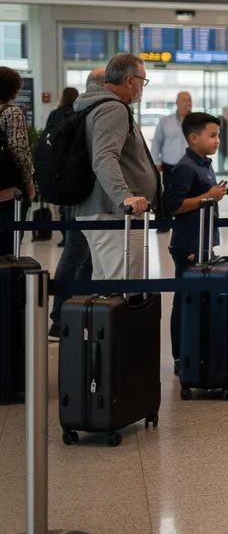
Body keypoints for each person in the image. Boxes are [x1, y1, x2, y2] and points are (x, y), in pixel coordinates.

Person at [73, 54, 160, 281]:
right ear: (130, 81)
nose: (143, 88)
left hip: (99, 211)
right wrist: (125, 198)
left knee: (106, 289)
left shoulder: (92, 105)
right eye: (143, 81)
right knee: (123, 289)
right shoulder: (113, 109)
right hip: (114, 215)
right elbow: (104, 157)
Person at [162, 112, 227, 371]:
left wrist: (212, 195)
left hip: (203, 241)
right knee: (184, 299)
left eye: (218, 135)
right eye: (212, 135)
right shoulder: (185, 167)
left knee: (199, 297)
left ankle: (197, 349)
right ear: (193, 137)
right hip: (187, 243)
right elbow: (173, 206)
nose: (217, 140)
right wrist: (207, 197)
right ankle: (180, 356)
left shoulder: (205, 163)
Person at [49, 72, 100, 339]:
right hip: (85, 196)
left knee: (78, 252)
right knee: (79, 252)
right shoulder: (91, 113)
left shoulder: (58, 115)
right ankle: (65, 313)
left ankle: (69, 311)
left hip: (68, 193)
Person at [0, 67, 34, 260]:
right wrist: (29, 183)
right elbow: (19, 150)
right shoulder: (12, 113)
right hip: (6, 194)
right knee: (7, 252)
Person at [45, 87, 80, 247]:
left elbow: (47, 139)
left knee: (62, 206)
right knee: (74, 205)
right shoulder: (79, 114)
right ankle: (74, 237)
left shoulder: (54, 114)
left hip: (58, 165)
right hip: (76, 164)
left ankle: (65, 237)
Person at [152, 91, 192, 178]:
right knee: (170, 191)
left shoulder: (196, 122)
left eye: (189, 100)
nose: (188, 103)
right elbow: (156, 142)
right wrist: (156, 161)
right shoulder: (165, 121)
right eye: (184, 100)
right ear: (177, 103)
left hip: (192, 166)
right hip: (170, 167)